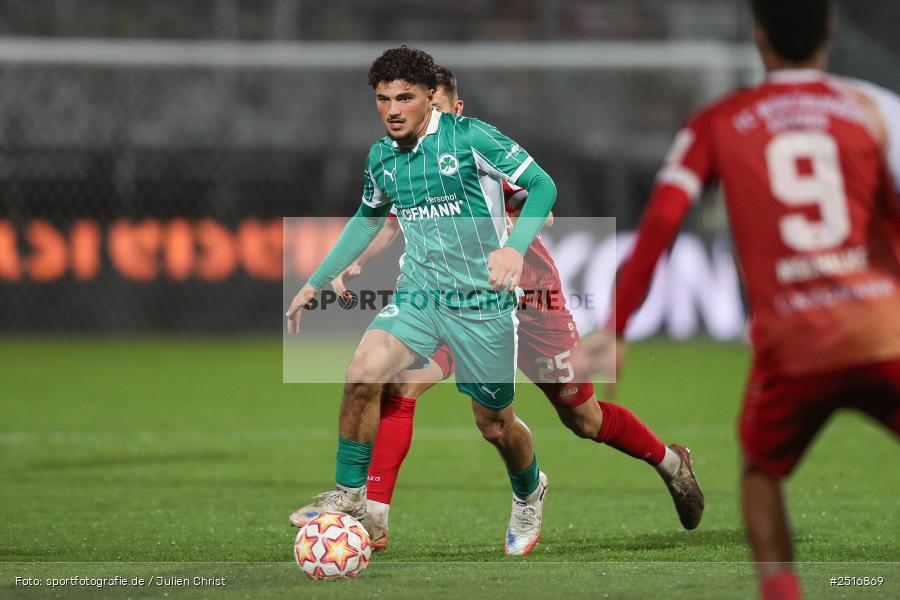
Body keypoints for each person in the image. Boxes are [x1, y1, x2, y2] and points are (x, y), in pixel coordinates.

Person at [575, 1, 900, 598]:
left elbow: (661, 224)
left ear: (759, 38)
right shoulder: (876, 109)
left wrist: (616, 326)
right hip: (885, 329)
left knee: (759, 474)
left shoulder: (719, 122)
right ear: (830, 32)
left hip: (794, 344)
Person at [330, 65, 704, 551]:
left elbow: (541, 206)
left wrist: (509, 231)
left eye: (432, 109)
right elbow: (388, 220)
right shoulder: (410, 159)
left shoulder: (476, 150)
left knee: (583, 420)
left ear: (453, 109)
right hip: (461, 301)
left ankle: (671, 464)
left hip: (532, 302)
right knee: (400, 384)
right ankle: (373, 519)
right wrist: (354, 260)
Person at [286, 46, 558, 555]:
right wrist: (315, 280)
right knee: (363, 372)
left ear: (431, 97)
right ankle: (350, 497)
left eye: (404, 98)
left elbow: (542, 186)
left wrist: (513, 249)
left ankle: (529, 490)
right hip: (420, 295)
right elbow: (367, 218)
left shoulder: (470, 137)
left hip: (482, 304)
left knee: (495, 425)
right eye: (383, 99)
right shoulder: (381, 157)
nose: (392, 110)